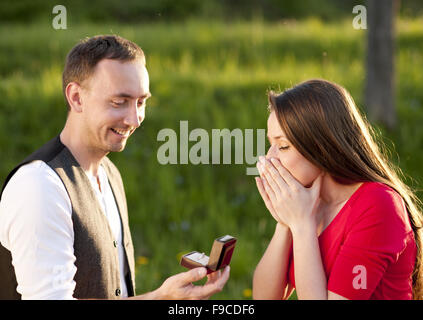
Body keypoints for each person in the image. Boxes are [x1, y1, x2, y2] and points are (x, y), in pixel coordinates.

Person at [0, 35, 230, 300]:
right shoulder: (38, 187)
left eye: (141, 101)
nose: (134, 119)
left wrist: (164, 298)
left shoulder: (110, 174)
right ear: (76, 97)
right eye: (119, 102)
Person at [252, 79, 423, 300]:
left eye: (283, 146)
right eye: (271, 144)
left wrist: (302, 226)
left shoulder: (378, 205)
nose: (269, 158)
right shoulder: (308, 201)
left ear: (322, 148)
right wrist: (285, 221)